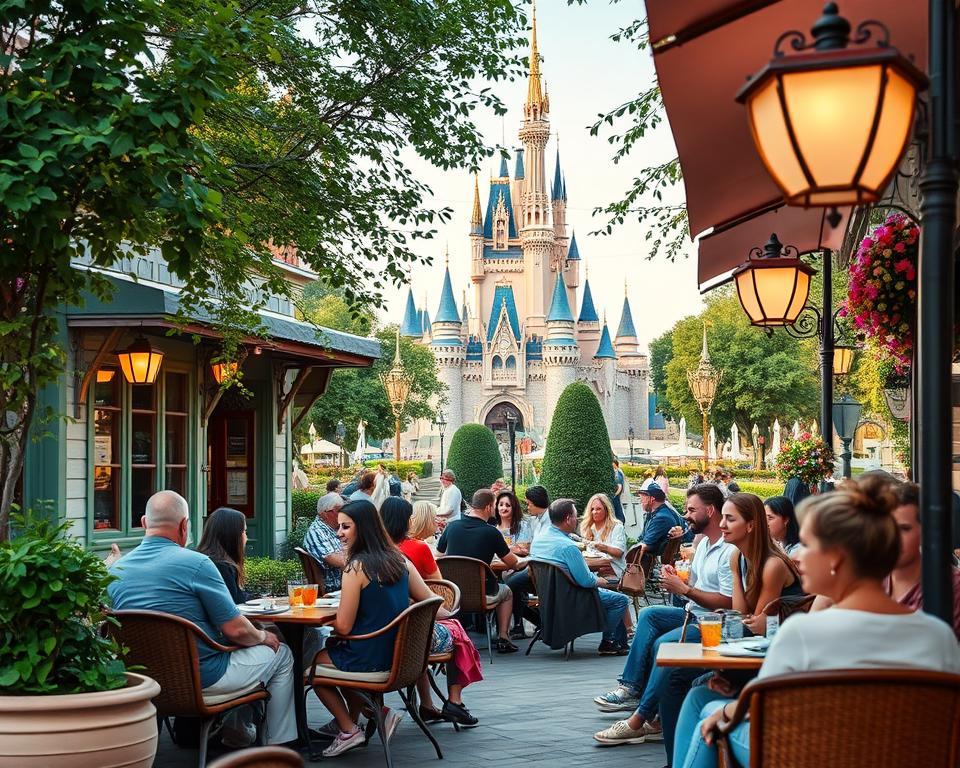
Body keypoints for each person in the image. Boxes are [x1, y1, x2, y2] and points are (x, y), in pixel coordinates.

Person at [674, 477, 960, 768]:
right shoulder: (937, 636)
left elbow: (765, 705)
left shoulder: (804, 633)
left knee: (707, 718)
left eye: (809, 546)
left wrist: (724, 714)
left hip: (817, 754)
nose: (798, 559)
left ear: (837, 557)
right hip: (904, 755)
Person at [108, 491, 296, 748]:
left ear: (143, 523)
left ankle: (236, 731)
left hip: (142, 681)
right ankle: (281, 745)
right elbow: (236, 630)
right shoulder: (197, 564)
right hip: (204, 679)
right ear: (184, 525)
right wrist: (265, 636)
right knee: (282, 654)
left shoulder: (116, 570)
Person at [593, 484, 734, 748]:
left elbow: (729, 602)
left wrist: (684, 588)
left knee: (663, 644)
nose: (686, 515)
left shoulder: (729, 550)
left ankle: (641, 718)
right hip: (693, 612)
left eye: (691, 510)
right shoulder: (703, 544)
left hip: (713, 621)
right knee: (648, 614)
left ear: (711, 511)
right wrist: (678, 578)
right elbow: (696, 586)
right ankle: (632, 689)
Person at [310, 499, 455, 757]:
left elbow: (343, 627)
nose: (338, 533)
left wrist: (325, 621)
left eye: (345, 527)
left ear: (362, 529)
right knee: (335, 659)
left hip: (372, 656)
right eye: (339, 527)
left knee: (313, 670)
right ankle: (376, 714)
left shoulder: (355, 568)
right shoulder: (400, 560)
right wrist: (454, 615)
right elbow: (432, 602)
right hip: (402, 656)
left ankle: (348, 729)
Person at [380, 497, 483, 727]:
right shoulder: (410, 552)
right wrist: (448, 614)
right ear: (406, 521)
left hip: (379, 630)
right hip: (407, 629)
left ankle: (427, 704)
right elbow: (437, 586)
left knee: (428, 640)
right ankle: (454, 700)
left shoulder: (369, 556)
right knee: (455, 632)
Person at [530, 498, 630, 655]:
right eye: (576, 516)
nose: (577, 519)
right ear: (568, 518)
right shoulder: (568, 547)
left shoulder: (538, 541)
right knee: (620, 600)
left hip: (548, 598)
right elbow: (586, 581)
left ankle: (618, 642)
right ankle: (609, 642)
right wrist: (603, 582)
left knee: (611, 593)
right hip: (572, 598)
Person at [437, 489, 522, 653]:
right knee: (507, 591)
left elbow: (439, 556)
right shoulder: (491, 532)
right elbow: (512, 563)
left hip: (453, 593)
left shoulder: (452, 527)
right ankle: (504, 637)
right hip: (482, 593)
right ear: (489, 507)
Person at [884, 482, 960, 639]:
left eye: (903, 529)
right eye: (885, 527)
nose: (892, 537)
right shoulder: (867, 578)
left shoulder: (952, 587)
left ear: (925, 532)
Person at [721, 493, 803, 635]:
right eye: (722, 517)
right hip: (757, 639)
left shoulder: (773, 565)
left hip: (786, 641)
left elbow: (756, 626)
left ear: (750, 525)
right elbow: (740, 616)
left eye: (730, 519)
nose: (721, 524)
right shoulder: (736, 557)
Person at [504, 485, 552, 639]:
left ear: (536, 502)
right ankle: (525, 624)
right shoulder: (539, 519)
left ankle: (532, 621)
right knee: (510, 582)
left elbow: (543, 546)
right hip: (535, 563)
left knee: (509, 586)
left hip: (543, 567)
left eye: (529, 503)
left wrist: (526, 554)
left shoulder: (549, 521)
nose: (527, 506)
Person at [197, 507, 251, 604]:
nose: (246, 537)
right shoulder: (223, 568)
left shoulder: (198, 559)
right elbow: (234, 608)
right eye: (244, 532)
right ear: (233, 536)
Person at [303, 492, 347, 594]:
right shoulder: (316, 531)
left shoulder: (334, 529)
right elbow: (339, 561)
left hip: (344, 584)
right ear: (325, 513)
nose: (343, 514)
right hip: (333, 589)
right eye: (339, 511)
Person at [580, 493, 627, 582]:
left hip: (613, 570)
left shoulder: (616, 527)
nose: (594, 512)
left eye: (598, 509)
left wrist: (603, 547)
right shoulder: (588, 527)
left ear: (606, 509)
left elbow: (619, 552)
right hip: (593, 569)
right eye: (592, 509)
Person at [637, 478, 685, 558]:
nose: (640, 502)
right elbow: (642, 538)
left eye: (642, 499)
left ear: (652, 499)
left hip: (659, 564)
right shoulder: (656, 511)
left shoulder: (661, 518)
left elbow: (645, 545)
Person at [611, 459, 627, 524]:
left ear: (615, 464)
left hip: (616, 494)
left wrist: (615, 494)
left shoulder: (618, 473)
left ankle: (621, 521)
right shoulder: (618, 472)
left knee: (617, 508)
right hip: (617, 494)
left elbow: (620, 485)